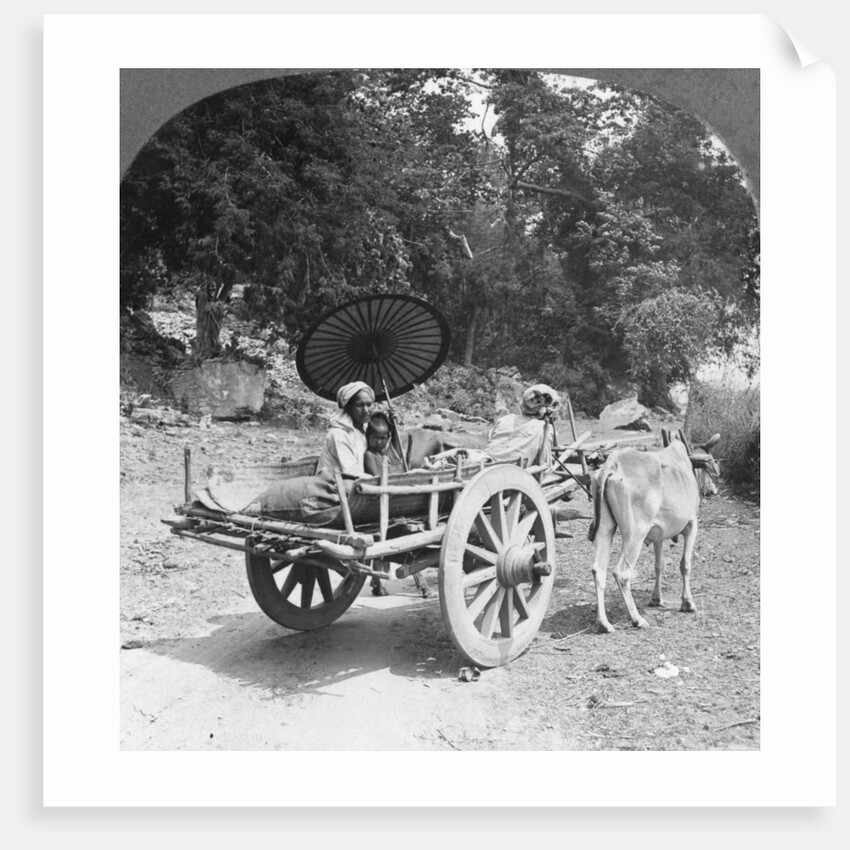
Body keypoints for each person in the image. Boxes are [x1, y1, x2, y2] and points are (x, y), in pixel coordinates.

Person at [316, 381, 375, 479]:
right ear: (348, 408)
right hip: (333, 485)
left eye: (369, 404)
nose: (366, 410)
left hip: (356, 481)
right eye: (359, 405)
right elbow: (351, 472)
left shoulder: (366, 428)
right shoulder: (339, 434)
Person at [363, 412, 392, 477]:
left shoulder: (382, 454)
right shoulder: (369, 455)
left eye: (383, 438)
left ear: (388, 438)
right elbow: (376, 478)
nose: (379, 442)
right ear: (367, 436)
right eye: (375, 437)